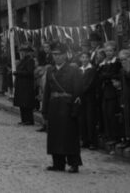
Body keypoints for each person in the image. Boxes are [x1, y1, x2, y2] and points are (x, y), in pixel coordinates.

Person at [42, 44, 82, 173]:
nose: (56, 57)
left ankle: (73, 163)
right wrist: (45, 110)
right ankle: (58, 163)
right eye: (54, 54)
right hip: (54, 106)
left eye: (59, 54)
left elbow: (77, 90)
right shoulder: (50, 71)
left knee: (69, 136)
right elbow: (47, 92)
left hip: (67, 106)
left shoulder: (73, 70)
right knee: (55, 135)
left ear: (65, 55)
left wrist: (75, 109)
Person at [78, 51, 98, 150]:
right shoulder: (79, 70)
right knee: (82, 119)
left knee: (90, 119)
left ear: (89, 59)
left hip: (89, 97)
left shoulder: (92, 70)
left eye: (86, 57)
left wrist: (81, 91)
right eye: (82, 57)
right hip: (81, 98)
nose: (84, 59)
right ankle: (84, 139)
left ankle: (92, 141)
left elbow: (90, 84)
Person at [13, 44, 36, 125]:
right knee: (21, 103)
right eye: (21, 52)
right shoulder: (22, 61)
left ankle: (29, 120)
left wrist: (18, 73)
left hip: (26, 84)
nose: (21, 53)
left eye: (23, 52)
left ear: (27, 53)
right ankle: (23, 119)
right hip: (21, 84)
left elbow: (30, 72)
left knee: (26, 103)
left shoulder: (30, 60)